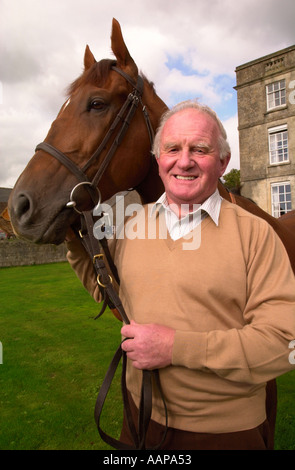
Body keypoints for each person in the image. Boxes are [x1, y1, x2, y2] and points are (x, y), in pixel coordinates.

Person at [66, 100, 295, 450]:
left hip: (222, 434)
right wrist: (71, 237)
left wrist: (176, 348)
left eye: (199, 149)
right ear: (158, 160)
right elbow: (107, 290)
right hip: (138, 416)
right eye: (172, 148)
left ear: (222, 162)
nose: (184, 160)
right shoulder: (132, 225)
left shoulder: (255, 235)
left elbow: (283, 345)